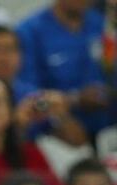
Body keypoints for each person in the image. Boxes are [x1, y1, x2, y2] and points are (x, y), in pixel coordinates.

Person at [0, 25, 89, 147]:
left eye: (11, 49)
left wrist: (62, 115)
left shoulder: (32, 96)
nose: (3, 57)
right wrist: (16, 122)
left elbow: (77, 142)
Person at [17, 0, 113, 136]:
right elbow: (27, 95)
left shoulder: (101, 24)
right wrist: (74, 100)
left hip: (108, 129)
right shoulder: (29, 32)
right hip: (54, 134)